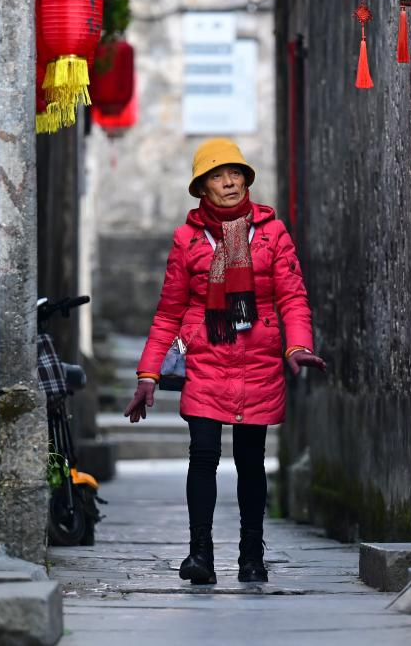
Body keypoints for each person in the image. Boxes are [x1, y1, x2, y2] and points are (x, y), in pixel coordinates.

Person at [123, 138, 326, 585]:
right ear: (202, 188)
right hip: (205, 359)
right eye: (217, 176)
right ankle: (200, 555)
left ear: (247, 180)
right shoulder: (187, 240)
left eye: (235, 173)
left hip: (258, 360)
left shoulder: (272, 233)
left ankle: (252, 555)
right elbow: (169, 311)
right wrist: (148, 372)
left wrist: (297, 345)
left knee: (251, 461)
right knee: (203, 455)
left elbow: (292, 296)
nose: (229, 182)